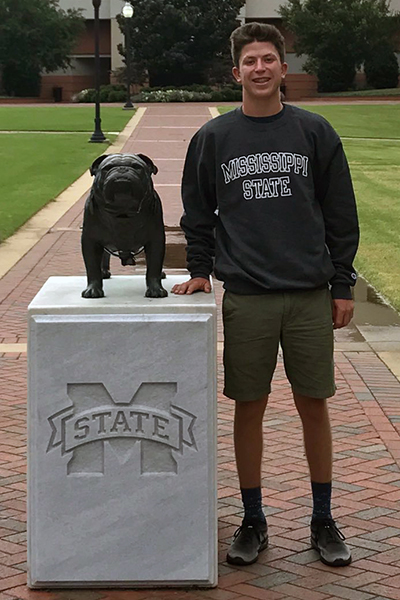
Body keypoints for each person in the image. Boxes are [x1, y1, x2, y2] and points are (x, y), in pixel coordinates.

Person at [172, 22, 359, 568]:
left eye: (268, 59)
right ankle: (253, 520)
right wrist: (202, 271)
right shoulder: (214, 139)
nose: (259, 68)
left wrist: (342, 282)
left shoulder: (314, 133)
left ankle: (323, 518)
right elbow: (197, 212)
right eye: (249, 61)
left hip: (307, 293)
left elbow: (340, 214)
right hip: (248, 295)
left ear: (284, 68)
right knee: (248, 408)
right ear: (237, 72)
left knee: (313, 406)